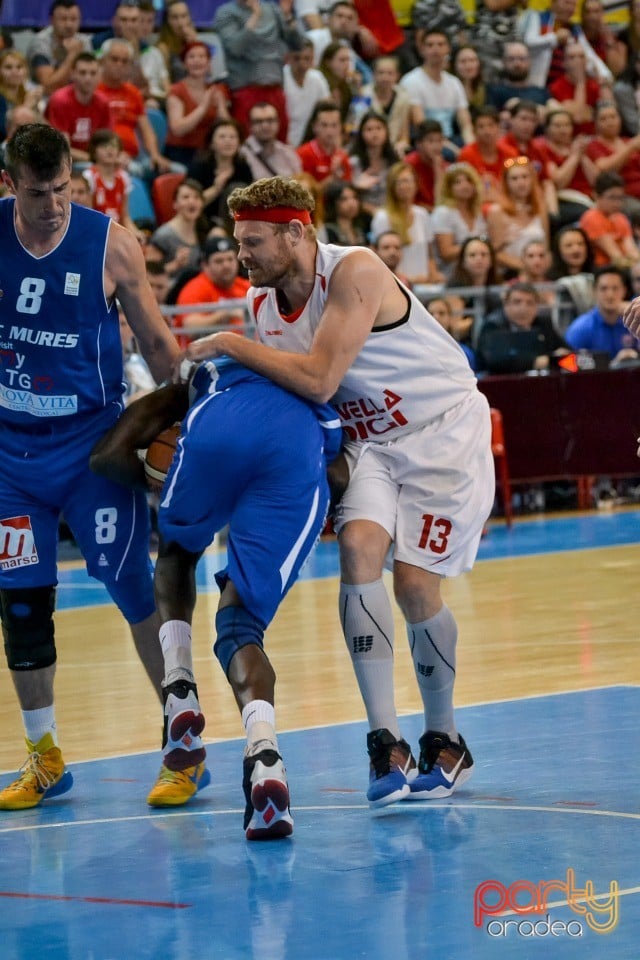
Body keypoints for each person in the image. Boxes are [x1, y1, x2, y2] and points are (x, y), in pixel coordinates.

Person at [185, 175, 495, 809]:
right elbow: (295, 400)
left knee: (413, 584)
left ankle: (446, 736)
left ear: (296, 233)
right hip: (369, 445)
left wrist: (227, 346)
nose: (241, 255)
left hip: (441, 433)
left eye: (252, 241)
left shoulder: (356, 270)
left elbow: (321, 377)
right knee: (356, 552)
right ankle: (385, 740)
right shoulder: (264, 305)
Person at [0, 123, 180, 811]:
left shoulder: (110, 242)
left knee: (135, 591)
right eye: (39, 192)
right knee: (20, 606)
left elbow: (161, 346)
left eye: (62, 189)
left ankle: (182, 742)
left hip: (90, 450)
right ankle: (44, 757)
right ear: (10, 183)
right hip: (11, 458)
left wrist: (184, 419)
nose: (53, 205)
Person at [89, 358, 342, 835]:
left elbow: (105, 457)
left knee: (178, 553)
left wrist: (165, 486)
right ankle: (265, 755)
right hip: (295, 455)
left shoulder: (206, 374)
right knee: (239, 625)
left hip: (214, 433)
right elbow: (340, 476)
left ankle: (178, 685)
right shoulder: (318, 380)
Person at [213, 0, 303, 140]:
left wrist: (288, 17)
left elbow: (298, 45)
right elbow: (235, 48)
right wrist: (255, 17)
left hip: (276, 89)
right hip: (246, 89)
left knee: (280, 143)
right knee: (246, 145)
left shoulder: (273, 10)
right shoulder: (226, 13)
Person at [370, 161, 443, 286]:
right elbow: (378, 259)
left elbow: (430, 255)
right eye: (400, 182)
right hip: (396, 285)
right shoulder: (382, 218)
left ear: (416, 184)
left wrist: (433, 274)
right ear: (392, 186)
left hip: (424, 284)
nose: (405, 186)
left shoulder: (422, 214)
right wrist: (408, 280)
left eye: (408, 181)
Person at [399, 29, 473, 150]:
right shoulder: (411, 81)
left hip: (451, 139)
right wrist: (455, 151)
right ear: (422, 50)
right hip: (425, 142)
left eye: (440, 44)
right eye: (430, 45)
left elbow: (466, 125)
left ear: (448, 48)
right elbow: (421, 126)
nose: (436, 49)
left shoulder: (454, 82)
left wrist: (471, 148)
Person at [476, 281, 570, 373]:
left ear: (536, 306)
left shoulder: (543, 322)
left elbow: (565, 350)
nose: (523, 308)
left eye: (530, 303)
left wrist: (559, 355)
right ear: (506, 304)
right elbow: (496, 361)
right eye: (517, 302)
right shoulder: (493, 325)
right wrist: (542, 361)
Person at [165, 40, 230, 169]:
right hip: (181, 151)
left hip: (209, 151)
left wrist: (221, 107)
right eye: (192, 57)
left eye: (202, 57)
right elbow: (178, 129)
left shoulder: (218, 89)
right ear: (184, 63)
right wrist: (203, 107)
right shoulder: (177, 91)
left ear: (208, 63)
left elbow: (228, 127)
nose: (197, 61)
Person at [175, 234, 250, 344]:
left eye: (230, 259)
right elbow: (190, 327)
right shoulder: (195, 289)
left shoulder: (246, 286)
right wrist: (226, 314)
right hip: (205, 357)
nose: (226, 265)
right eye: (219, 261)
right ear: (205, 265)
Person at [45, 52, 112, 166]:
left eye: (93, 73)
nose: (88, 78)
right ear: (72, 74)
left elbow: (106, 141)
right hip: (61, 162)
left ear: (99, 75)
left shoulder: (103, 102)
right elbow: (63, 150)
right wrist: (95, 160)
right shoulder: (60, 100)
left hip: (92, 159)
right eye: (82, 73)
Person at [187, 118, 253, 233]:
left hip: (236, 223)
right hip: (204, 222)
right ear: (212, 143)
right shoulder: (199, 166)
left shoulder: (243, 167)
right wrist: (216, 189)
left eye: (232, 137)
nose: (228, 141)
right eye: (222, 137)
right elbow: (190, 204)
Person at [566, 265, 640, 362]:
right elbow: (568, 366)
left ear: (624, 291)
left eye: (615, 288)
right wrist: (614, 365)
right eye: (604, 289)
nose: (610, 295)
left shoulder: (635, 318)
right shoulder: (580, 328)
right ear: (594, 291)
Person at [431, 162, 487, 281]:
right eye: (458, 182)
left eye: (468, 181)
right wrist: (475, 246)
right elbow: (445, 252)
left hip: (474, 276)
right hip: (450, 277)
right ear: (449, 188)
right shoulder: (443, 212)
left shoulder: (477, 212)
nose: (465, 185)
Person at [27, 0, 93, 97]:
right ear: (51, 20)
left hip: (78, 98)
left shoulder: (84, 41)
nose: (69, 25)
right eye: (63, 19)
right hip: (45, 99)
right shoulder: (40, 43)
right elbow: (48, 86)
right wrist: (72, 55)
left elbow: (91, 79)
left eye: (74, 19)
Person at [579, 170, 640, 267]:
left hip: (625, 266)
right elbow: (615, 256)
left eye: (620, 198)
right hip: (602, 269)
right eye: (612, 198)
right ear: (596, 196)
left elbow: (631, 250)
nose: (617, 203)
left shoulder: (621, 218)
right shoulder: (591, 218)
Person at [283, 38, 330, 149]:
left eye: (307, 59)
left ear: (313, 58)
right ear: (288, 57)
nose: (302, 63)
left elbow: (327, 110)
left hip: (312, 142)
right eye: (297, 58)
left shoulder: (317, 78)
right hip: (285, 142)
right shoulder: (281, 79)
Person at [296, 100, 352, 190]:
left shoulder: (343, 157)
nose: (329, 131)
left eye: (334, 125)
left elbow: (348, 191)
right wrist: (332, 178)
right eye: (324, 125)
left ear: (340, 127)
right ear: (314, 127)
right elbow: (305, 195)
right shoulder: (302, 155)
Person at [240, 101, 302, 180]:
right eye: (258, 121)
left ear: (278, 123)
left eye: (270, 120)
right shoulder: (241, 155)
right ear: (249, 125)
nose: (265, 126)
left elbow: (299, 184)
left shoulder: (289, 154)